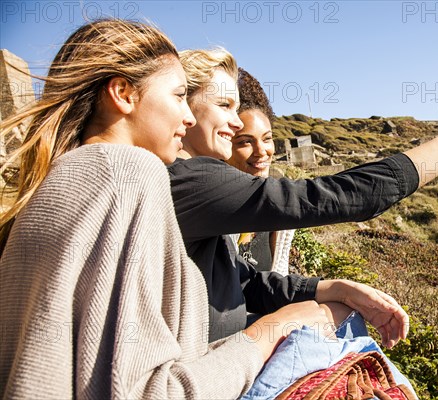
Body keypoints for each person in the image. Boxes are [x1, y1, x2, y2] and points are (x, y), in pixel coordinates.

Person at [0, 19, 351, 399]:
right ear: (123, 93)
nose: (187, 115)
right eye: (179, 95)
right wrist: (272, 331)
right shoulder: (131, 173)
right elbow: (149, 392)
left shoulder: (59, 180)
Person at [170, 49, 438, 345]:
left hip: (222, 350)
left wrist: (332, 287)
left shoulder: (189, 180)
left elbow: (242, 283)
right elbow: (337, 196)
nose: (233, 120)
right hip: (209, 369)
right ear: (184, 108)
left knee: (336, 312)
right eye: (224, 105)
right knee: (334, 325)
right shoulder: (190, 181)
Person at [226, 67, 294, 275]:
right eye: (245, 141)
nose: (261, 151)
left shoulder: (279, 212)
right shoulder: (212, 209)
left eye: (267, 138)